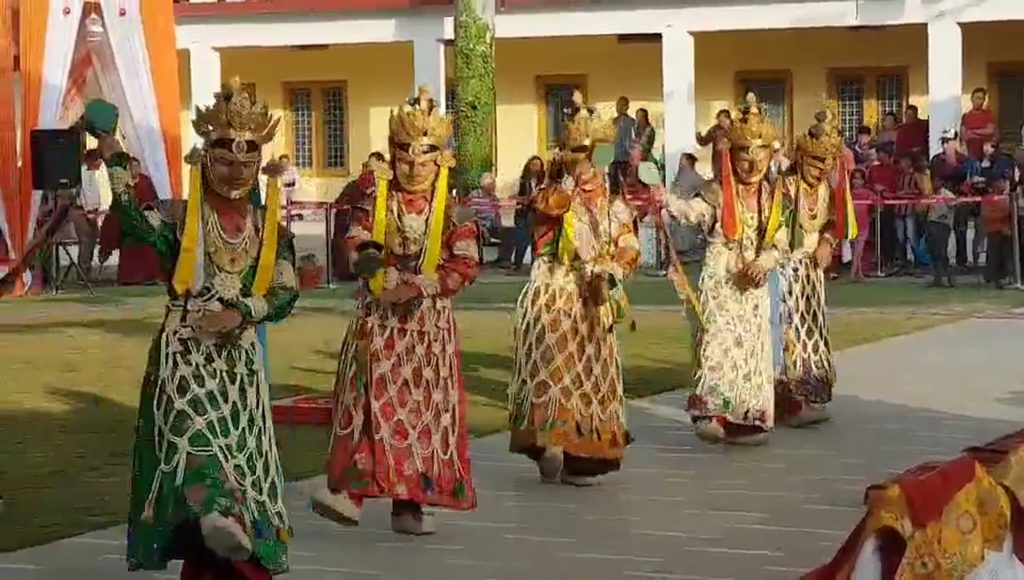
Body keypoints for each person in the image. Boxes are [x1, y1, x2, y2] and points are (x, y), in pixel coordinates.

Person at [118, 80, 299, 579]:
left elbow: (285, 291)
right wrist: (113, 158)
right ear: (204, 157)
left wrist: (242, 313)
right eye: (224, 158)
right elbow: (132, 222)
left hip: (238, 364)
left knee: (239, 453)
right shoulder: (180, 220)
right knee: (193, 436)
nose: (236, 170)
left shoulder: (270, 227)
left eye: (247, 159)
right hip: (183, 355)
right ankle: (215, 514)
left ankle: (222, 542)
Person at [313, 86, 479, 535]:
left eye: (424, 160)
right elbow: (356, 239)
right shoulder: (376, 196)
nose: (413, 169)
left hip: (427, 326)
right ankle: (350, 494)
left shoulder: (454, 206)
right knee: (368, 402)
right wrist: (373, 270)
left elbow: (465, 263)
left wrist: (424, 285)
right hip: (379, 319)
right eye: (404, 158)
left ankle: (410, 505)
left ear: (441, 160)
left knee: (422, 413)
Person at [508, 91, 640, 485]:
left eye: (589, 154)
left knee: (591, 374)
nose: (584, 163)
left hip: (595, 297)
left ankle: (582, 455)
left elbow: (627, 243)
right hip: (557, 288)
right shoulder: (552, 195)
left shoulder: (613, 203)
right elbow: (545, 215)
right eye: (576, 153)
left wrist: (611, 273)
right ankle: (551, 441)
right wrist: (564, 187)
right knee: (554, 364)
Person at [661, 93, 789, 446]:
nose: (752, 163)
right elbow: (690, 213)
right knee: (717, 341)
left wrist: (763, 264)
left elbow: (780, 243)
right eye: (744, 155)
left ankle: (747, 417)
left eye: (759, 154)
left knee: (752, 349)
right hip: (721, 276)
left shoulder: (771, 196)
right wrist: (664, 200)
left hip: (754, 282)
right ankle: (712, 411)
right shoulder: (716, 192)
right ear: (732, 156)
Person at [775, 107, 853, 428]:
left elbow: (834, 221)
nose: (820, 169)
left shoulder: (826, 189)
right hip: (784, 268)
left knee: (811, 331)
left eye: (826, 163)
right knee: (784, 330)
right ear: (802, 157)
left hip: (811, 273)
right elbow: (774, 225)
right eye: (815, 162)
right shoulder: (785, 186)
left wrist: (827, 242)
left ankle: (810, 395)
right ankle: (785, 398)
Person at [99, 156, 165, 285]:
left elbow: (152, 202)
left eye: (136, 167)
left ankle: (151, 276)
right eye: (131, 167)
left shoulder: (146, 182)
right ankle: (130, 278)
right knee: (129, 241)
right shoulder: (122, 183)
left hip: (145, 221)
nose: (134, 169)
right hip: (129, 224)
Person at [667, 152, 708, 352]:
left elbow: (680, 208)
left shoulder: (690, 179)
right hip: (684, 246)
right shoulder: (688, 181)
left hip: (691, 248)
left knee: (697, 305)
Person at [331, 152, 385, 281]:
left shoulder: (386, 185)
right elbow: (341, 203)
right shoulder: (355, 185)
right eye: (368, 166)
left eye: (374, 165)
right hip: (357, 225)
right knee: (353, 242)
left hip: (378, 225)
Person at [509, 156, 544, 274]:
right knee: (521, 240)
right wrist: (525, 199)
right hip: (523, 214)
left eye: (538, 165)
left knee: (536, 240)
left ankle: (535, 266)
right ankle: (517, 265)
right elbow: (513, 196)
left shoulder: (543, 182)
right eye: (533, 165)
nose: (536, 168)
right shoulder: (522, 181)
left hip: (537, 214)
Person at [981, 174, 1013, 287]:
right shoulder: (988, 199)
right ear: (994, 185)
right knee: (994, 255)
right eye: (1001, 182)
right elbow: (986, 214)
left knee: (1006, 255)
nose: (1003, 184)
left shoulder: (1007, 198)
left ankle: (1006, 277)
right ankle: (991, 278)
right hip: (993, 230)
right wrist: (1003, 215)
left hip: (1007, 230)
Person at [926, 178, 957, 287]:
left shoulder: (947, 194)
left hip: (942, 225)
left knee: (942, 252)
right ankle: (937, 279)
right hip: (931, 223)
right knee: (933, 252)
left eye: (936, 181)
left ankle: (949, 278)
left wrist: (946, 215)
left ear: (941, 183)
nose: (934, 183)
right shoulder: (930, 194)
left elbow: (954, 206)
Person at [849, 168, 876, 281]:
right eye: (854, 179)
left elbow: (876, 201)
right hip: (851, 224)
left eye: (859, 179)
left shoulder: (868, 193)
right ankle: (858, 273)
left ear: (864, 181)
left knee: (859, 249)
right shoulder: (848, 193)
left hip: (863, 224)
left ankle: (853, 272)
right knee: (855, 249)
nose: (856, 181)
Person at [609, 96, 636, 195]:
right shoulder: (613, 122)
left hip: (626, 159)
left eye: (622, 105)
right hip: (613, 158)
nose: (619, 108)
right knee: (614, 187)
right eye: (618, 105)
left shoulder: (632, 122)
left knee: (626, 187)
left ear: (627, 107)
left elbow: (635, 140)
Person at [961, 87, 997, 160]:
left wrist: (973, 132)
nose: (979, 101)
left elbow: (990, 130)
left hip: (986, 155)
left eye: (982, 99)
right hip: (970, 155)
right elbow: (964, 134)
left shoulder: (988, 115)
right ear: (972, 99)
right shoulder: (966, 116)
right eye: (977, 98)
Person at [697, 109, 732, 181]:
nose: (720, 123)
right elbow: (704, 141)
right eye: (719, 121)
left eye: (722, 121)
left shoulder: (736, 128)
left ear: (728, 119)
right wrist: (698, 135)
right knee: (719, 179)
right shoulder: (715, 130)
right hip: (718, 160)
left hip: (732, 159)